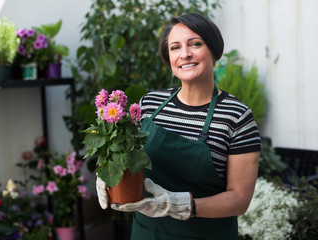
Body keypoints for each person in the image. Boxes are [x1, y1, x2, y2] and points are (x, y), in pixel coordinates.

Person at [96, 12, 261, 239]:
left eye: (195, 44)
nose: (185, 54)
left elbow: (239, 199)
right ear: (168, 57)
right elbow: (126, 157)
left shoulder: (236, 116)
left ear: (213, 50)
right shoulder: (149, 104)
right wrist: (108, 175)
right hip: (147, 233)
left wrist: (181, 205)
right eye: (175, 47)